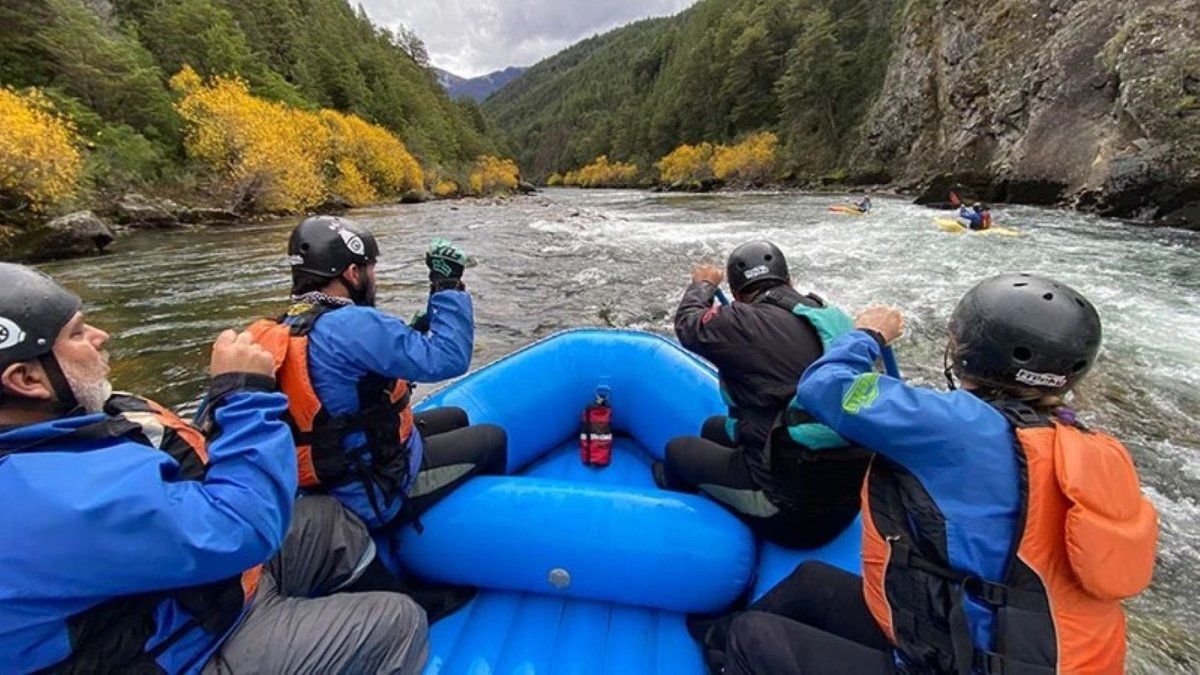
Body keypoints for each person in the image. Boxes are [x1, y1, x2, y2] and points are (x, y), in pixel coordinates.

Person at [0, 263, 427, 673]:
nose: (99, 335)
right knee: (399, 620)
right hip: (183, 653)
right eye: (76, 333)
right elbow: (242, 527)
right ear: (27, 380)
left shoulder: (56, 433)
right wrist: (244, 396)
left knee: (329, 521)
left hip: (179, 599)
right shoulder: (46, 499)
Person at [724, 273, 1158, 675]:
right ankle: (715, 640)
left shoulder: (957, 427)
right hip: (1041, 652)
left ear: (970, 354)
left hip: (966, 662)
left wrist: (867, 334)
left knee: (751, 638)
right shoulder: (1093, 445)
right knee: (810, 583)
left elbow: (823, 387)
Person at [247, 216, 507, 576]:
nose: (374, 277)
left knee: (456, 418)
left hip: (331, 473)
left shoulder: (283, 325)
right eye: (371, 269)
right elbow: (450, 358)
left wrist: (410, 334)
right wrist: (446, 285)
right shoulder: (353, 325)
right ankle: (465, 539)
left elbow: (347, 375)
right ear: (352, 273)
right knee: (493, 439)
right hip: (373, 490)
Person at [656, 241, 872, 549]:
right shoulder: (832, 317)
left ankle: (686, 526)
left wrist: (702, 284)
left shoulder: (741, 321)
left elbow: (689, 324)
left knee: (677, 452)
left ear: (738, 294)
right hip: (844, 495)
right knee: (712, 429)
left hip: (792, 511)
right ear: (789, 281)